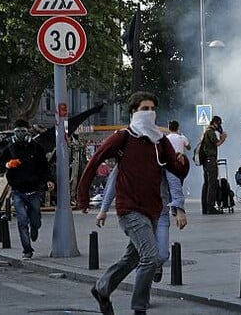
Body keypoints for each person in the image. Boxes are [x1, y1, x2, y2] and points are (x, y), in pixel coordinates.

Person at [77, 91, 186, 315]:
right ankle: (139, 308)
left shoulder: (160, 141)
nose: (149, 113)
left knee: (132, 257)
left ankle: (102, 288)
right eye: (144, 109)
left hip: (153, 209)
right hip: (130, 209)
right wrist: (83, 196)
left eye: (152, 109)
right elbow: (96, 160)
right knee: (150, 257)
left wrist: (182, 163)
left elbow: (176, 170)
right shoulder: (124, 137)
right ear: (133, 112)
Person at [98, 166, 187, 284]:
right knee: (146, 255)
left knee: (161, 255)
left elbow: (174, 179)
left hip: (160, 212)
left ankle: (155, 266)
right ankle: (141, 294)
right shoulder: (127, 153)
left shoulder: (161, 152)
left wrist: (179, 207)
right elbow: (114, 181)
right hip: (137, 214)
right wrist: (104, 209)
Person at [0, 119, 54, 259]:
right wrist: (8, 164)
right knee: (21, 221)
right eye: (17, 131)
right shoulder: (10, 148)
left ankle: (35, 228)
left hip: (33, 190)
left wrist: (49, 180)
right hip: (18, 191)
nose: (20, 134)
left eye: (23, 131)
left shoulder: (36, 147)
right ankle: (27, 250)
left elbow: (45, 166)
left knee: (35, 219)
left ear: (28, 132)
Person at [200, 116, 227, 215]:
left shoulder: (205, 131)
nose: (219, 126)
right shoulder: (210, 131)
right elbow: (217, 143)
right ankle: (210, 207)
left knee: (206, 183)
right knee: (212, 183)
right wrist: (223, 138)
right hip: (210, 160)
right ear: (215, 123)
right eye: (219, 124)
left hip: (206, 160)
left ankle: (205, 207)